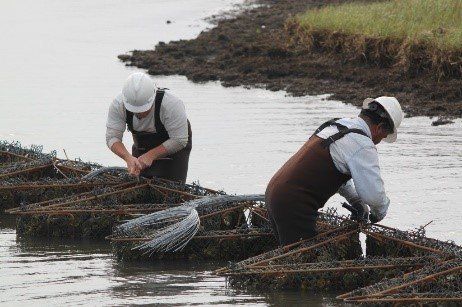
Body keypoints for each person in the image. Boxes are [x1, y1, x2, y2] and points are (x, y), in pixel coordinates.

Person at [266, 96, 404, 246]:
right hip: (295, 204)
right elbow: (374, 197)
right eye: (383, 137)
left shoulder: (337, 126)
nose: (378, 142)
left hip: (275, 194)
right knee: (301, 260)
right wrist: (378, 214)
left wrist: (355, 200)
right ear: (380, 127)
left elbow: (329, 170)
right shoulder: (363, 144)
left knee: (290, 254)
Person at [106, 72, 192, 183]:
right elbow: (112, 138)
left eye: (143, 109)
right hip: (142, 146)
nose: (139, 114)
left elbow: (179, 140)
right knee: (139, 183)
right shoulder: (118, 105)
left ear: (153, 97)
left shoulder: (172, 104)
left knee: (171, 186)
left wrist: (151, 155)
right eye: (134, 110)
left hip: (174, 148)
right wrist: (127, 157)